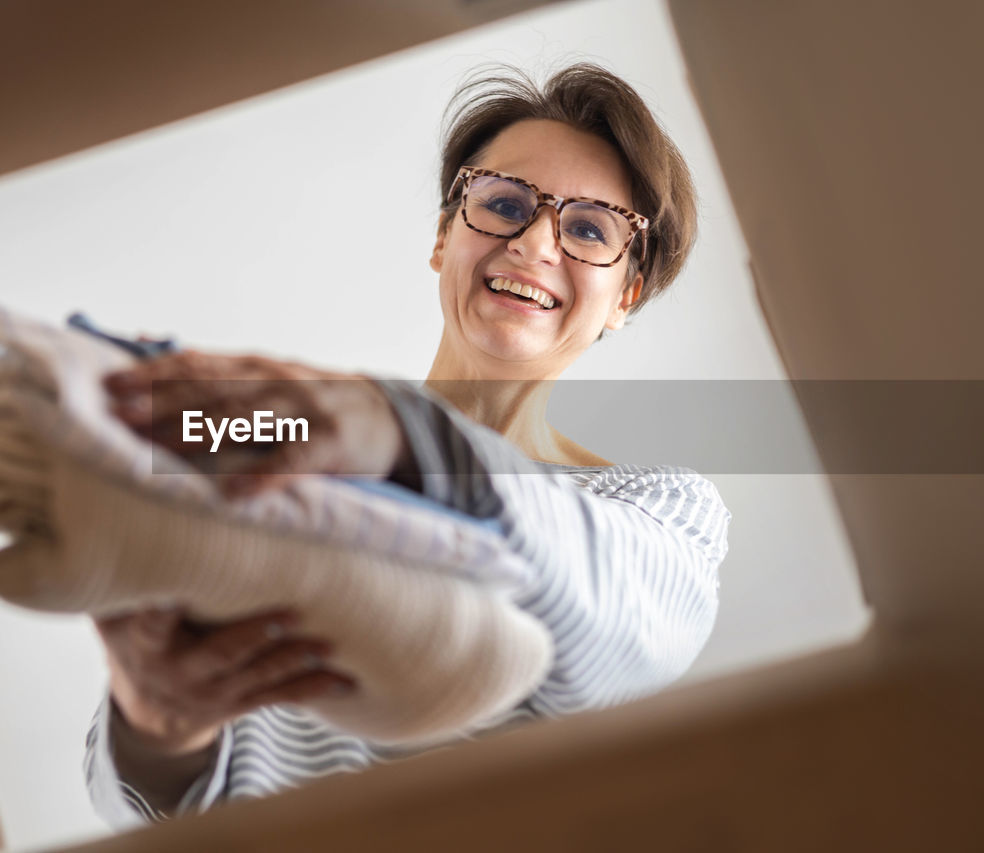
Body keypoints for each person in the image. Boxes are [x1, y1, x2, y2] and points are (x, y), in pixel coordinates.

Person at [85, 63, 729, 825]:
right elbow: (125, 799)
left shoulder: (659, 512)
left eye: (589, 228)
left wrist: (398, 433)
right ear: (443, 238)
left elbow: (618, 635)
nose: (535, 242)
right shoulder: (275, 439)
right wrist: (158, 730)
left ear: (624, 295)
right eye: (504, 203)